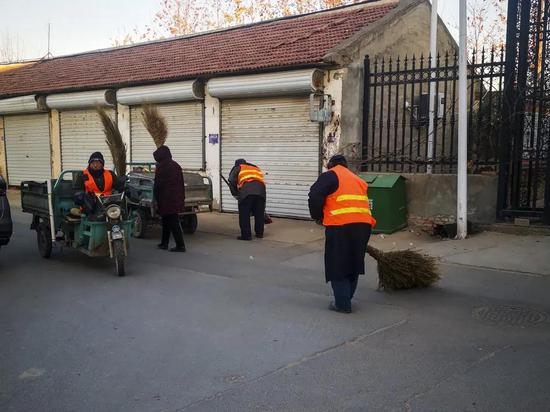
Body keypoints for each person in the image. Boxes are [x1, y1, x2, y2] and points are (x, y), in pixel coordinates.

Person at [308, 155, 376, 314]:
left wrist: (318, 216)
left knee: (337, 263)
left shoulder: (330, 175)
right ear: (346, 166)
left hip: (341, 226)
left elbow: (314, 196)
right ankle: (346, 297)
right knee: (354, 262)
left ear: (331, 165)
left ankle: (342, 303)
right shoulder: (357, 179)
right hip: (364, 226)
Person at [153, 145, 186, 252]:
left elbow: (158, 184)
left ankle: (180, 245)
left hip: (167, 199)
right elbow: (181, 184)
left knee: (172, 222)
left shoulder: (162, 167)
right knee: (166, 221)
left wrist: (156, 198)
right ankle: (164, 243)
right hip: (175, 198)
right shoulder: (175, 165)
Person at [228, 158, 266, 241]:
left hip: (246, 192)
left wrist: (235, 193)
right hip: (261, 191)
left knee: (244, 214)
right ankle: (260, 233)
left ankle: (246, 235)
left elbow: (231, 181)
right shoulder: (255, 167)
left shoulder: (238, 167)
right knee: (259, 214)